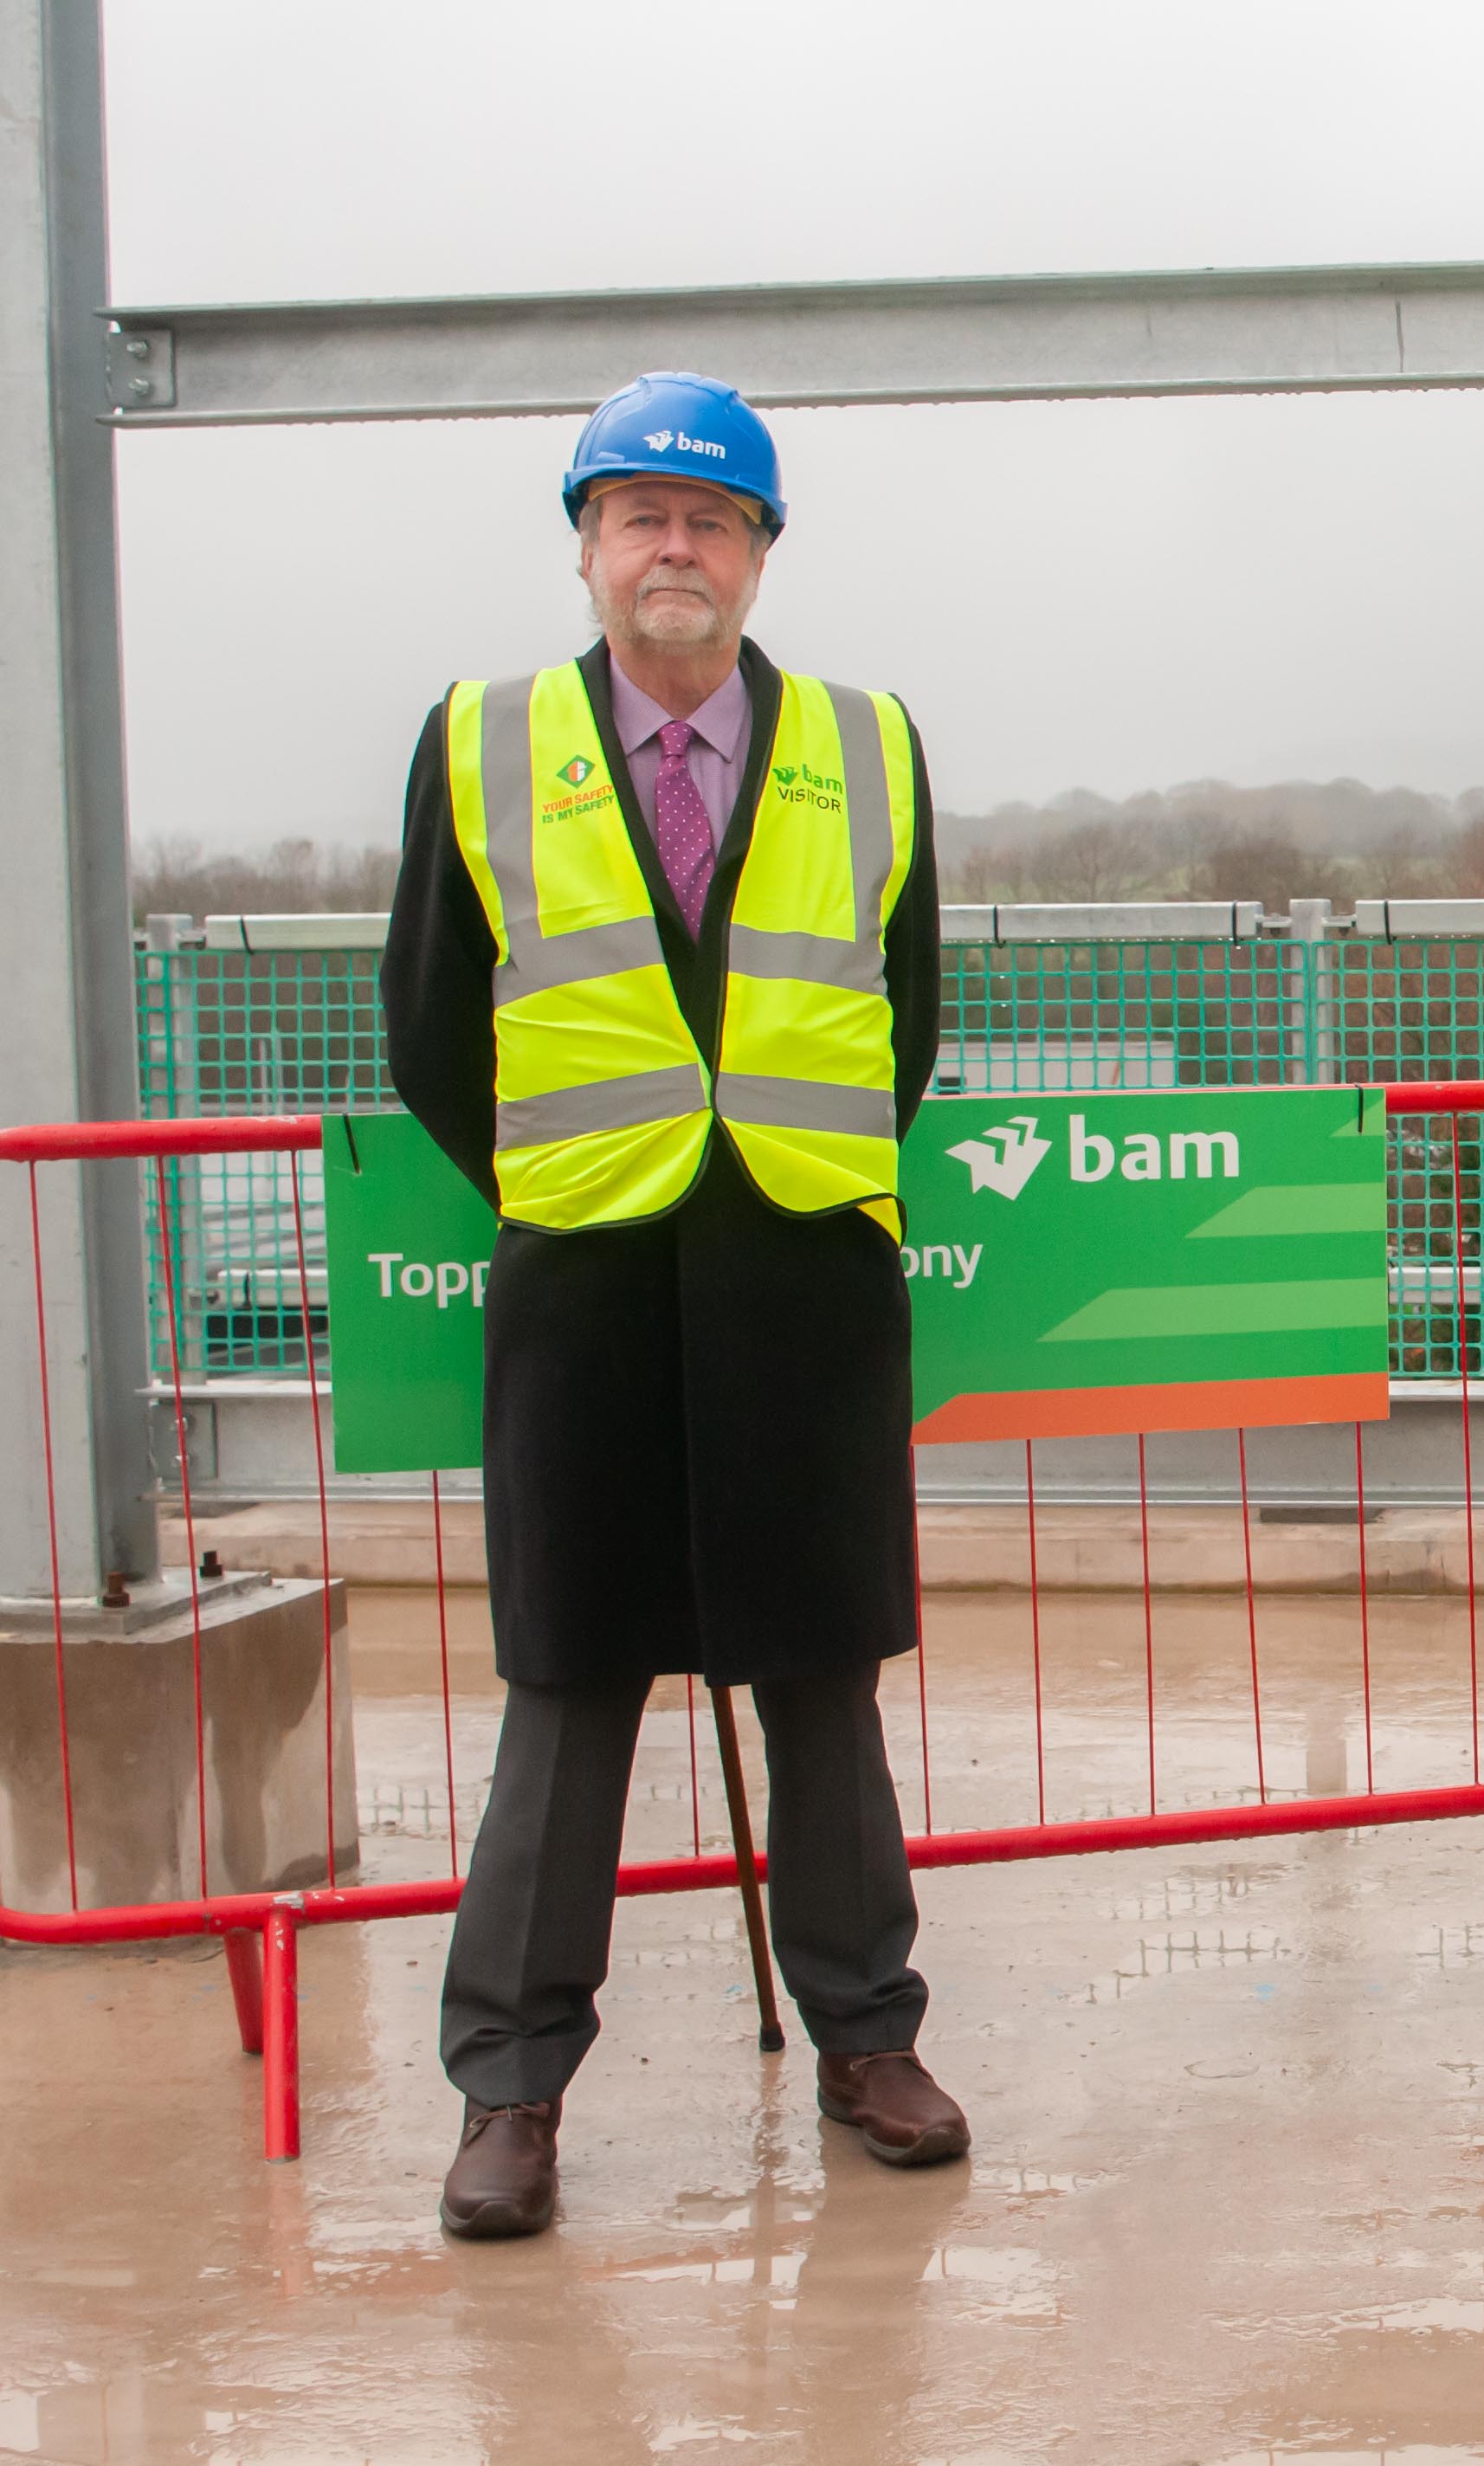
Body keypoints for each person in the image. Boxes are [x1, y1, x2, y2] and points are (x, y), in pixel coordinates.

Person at [383, 372, 965, 2238]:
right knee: (568, 1689)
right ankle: (511, 2086)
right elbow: (429, 1028)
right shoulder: (481, 740)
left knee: (823, 1680)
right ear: (585, 548)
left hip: (803, 1273)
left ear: (761, 553)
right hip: (589, 1281)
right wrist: (577, 1178)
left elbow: (905, 1015)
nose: (675, 545)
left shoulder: (871, 743)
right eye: (638, 513)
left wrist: (769, 1167)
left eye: (712, 517)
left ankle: (869, 2035)